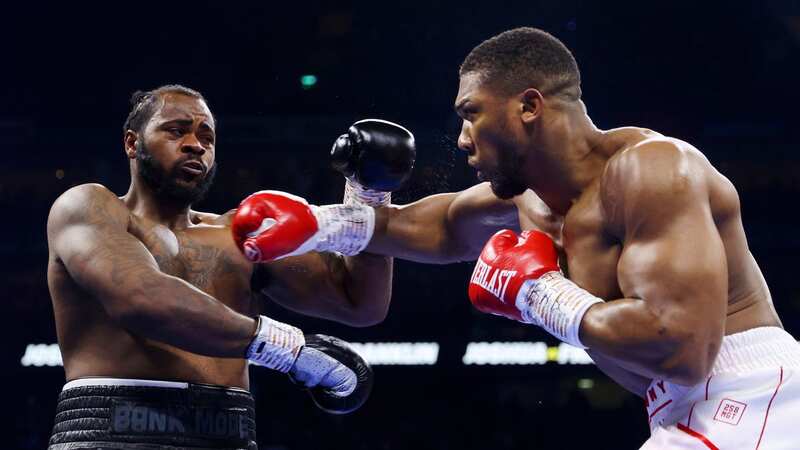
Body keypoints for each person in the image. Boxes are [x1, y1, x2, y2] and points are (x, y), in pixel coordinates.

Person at [251, 28, 800, 449]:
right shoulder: (529, 199)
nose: (463, 138)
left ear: (529, 107)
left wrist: (539, 294)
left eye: (471, 114)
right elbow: (435, 227)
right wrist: (318, 223)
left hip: (747, 390)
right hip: (678, 407)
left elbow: (682, 351)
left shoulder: (652, 171)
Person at [45, 85, 413, 449]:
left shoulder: (240, 236)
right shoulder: (89, 208)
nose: (195, 144)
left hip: (229, 435)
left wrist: (369, 194)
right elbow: (139, 296)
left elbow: (359, 301)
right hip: (112, 435)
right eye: (176, 130)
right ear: (132, 143)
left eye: (207, 136)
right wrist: (286, 350)